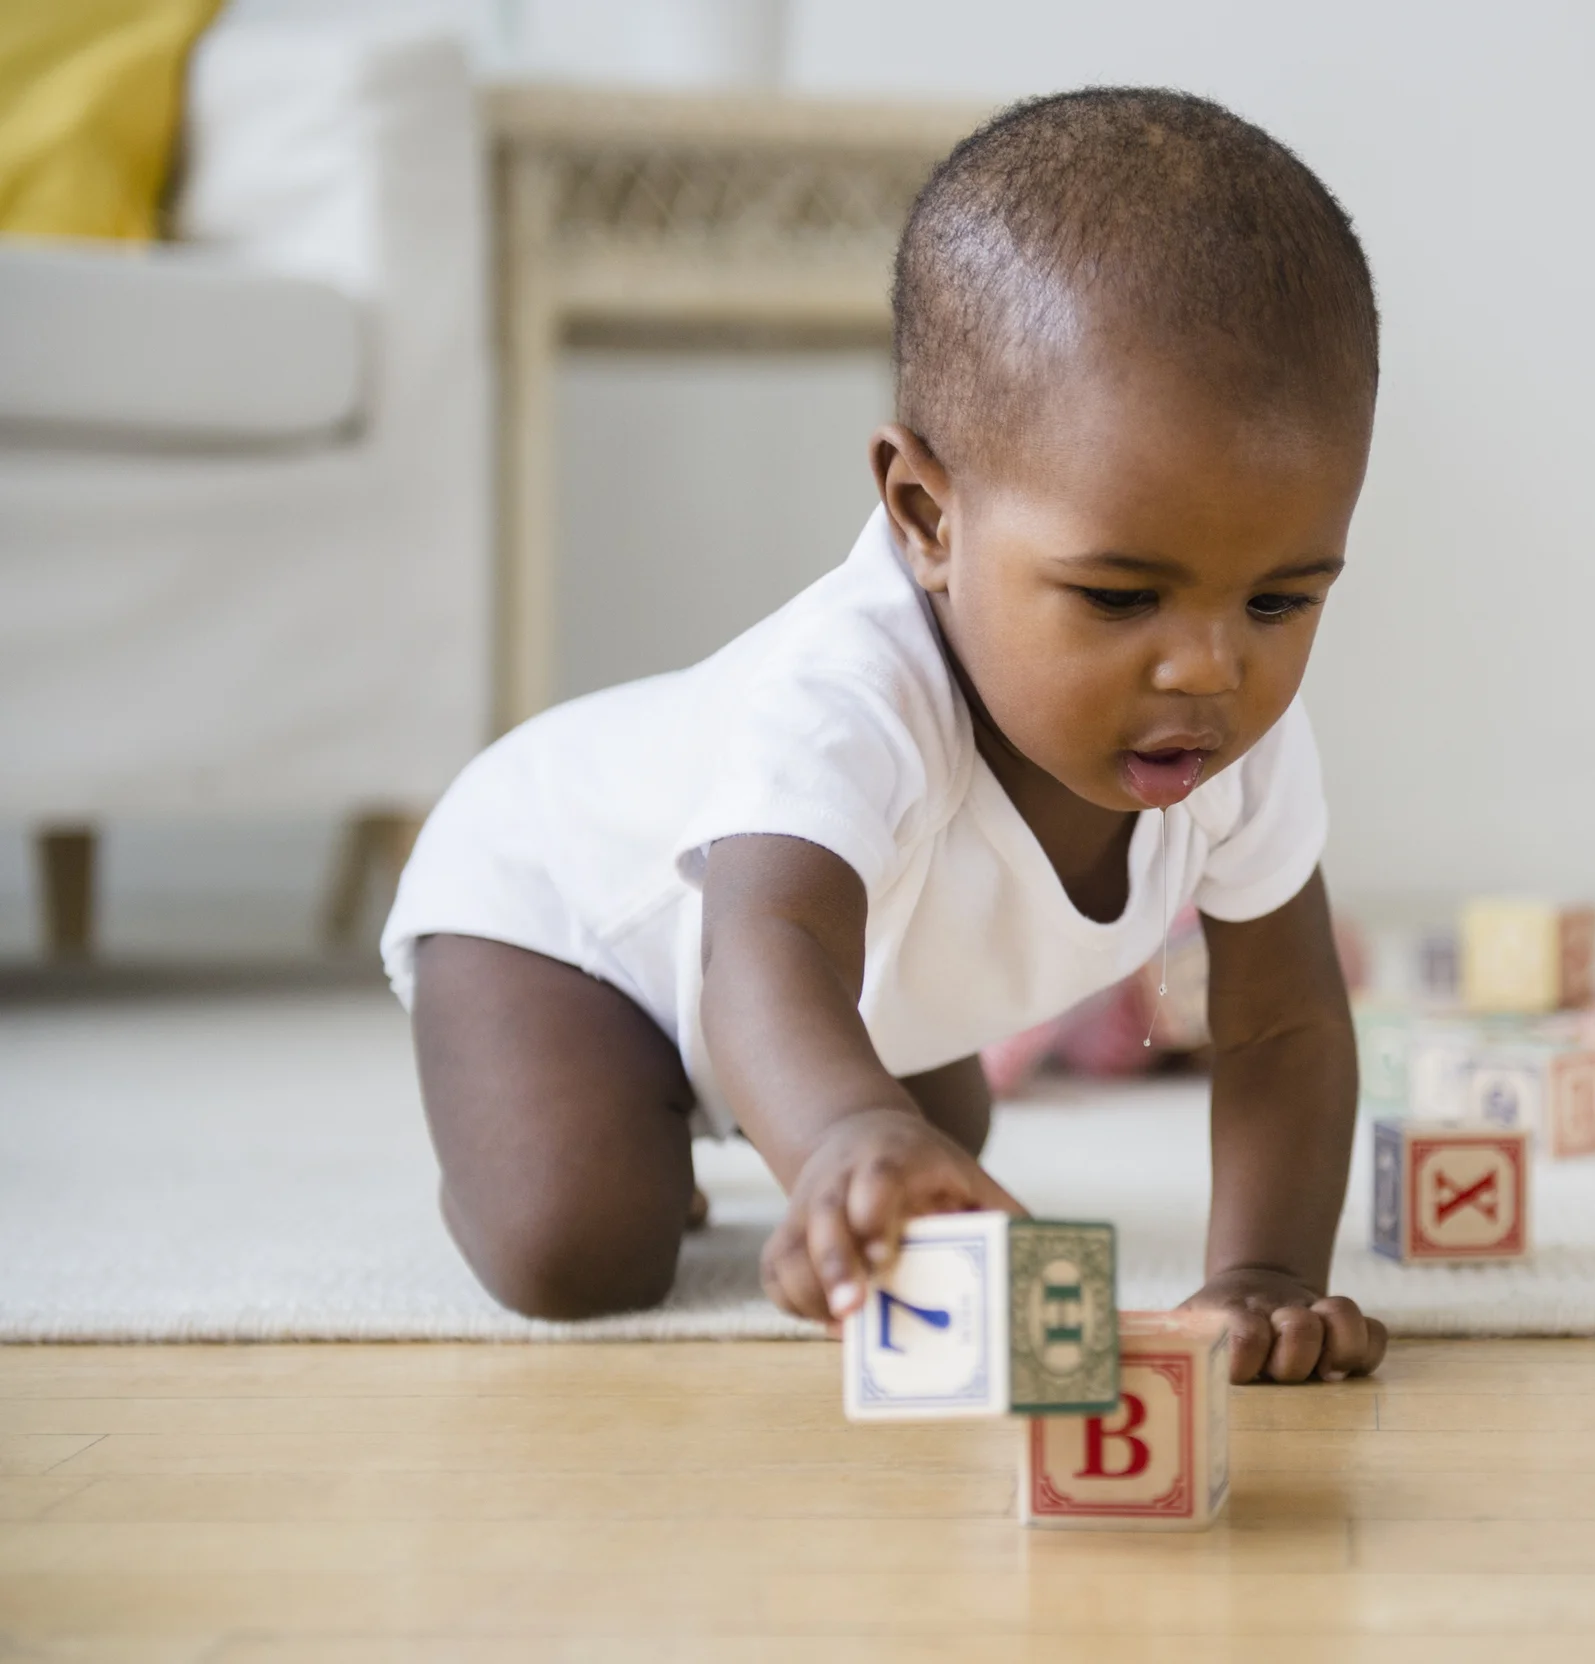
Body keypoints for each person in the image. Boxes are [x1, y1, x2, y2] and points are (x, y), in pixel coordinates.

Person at [381, 88, 1387, 1383]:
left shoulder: (1244, 740)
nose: (1209, 666)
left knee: (939, 1142)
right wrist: (846, 1128)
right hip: (562, 919)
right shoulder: (847, 693)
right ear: (925, 514)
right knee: (582, 1248)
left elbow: (1283, 1029)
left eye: (1281, 598)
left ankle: (771, 1114)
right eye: (1120, 595)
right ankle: (589, 1124)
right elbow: (767, 942)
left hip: (835, 991)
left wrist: (1263, 1280)